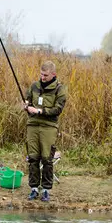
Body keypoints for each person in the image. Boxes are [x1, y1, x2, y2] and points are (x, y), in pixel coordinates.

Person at [22, 61, 67, 202]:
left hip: (49, 126)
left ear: (53, 74)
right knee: (33, 157)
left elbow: (58, 109)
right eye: (41, 74)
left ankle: (46, 190)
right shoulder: (34, 86)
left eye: (45, 75)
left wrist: (40, 111)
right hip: (33, 125)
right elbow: (27, 100)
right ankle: (34, 189)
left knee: (47, 159)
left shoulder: (60, 89)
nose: (42, 77)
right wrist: (26, 105)